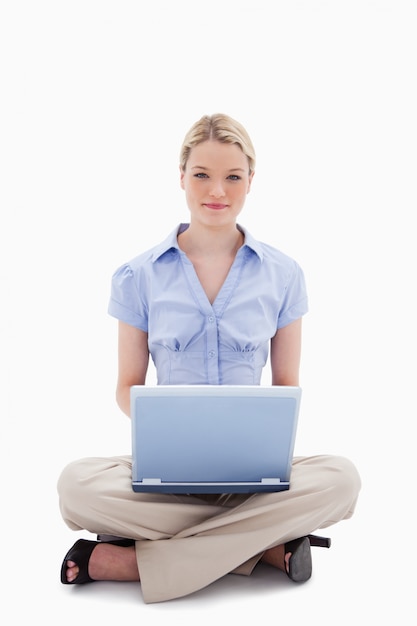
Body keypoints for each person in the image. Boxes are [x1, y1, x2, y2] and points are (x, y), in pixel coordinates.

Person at [58, 113, 361, 604]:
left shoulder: (284, 275)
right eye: (201, 174)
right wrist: (168, 425)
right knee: (75, 487)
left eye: (232, 176)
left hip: (253, 479)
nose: (216, 190)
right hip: (164, 478)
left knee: (342, 480)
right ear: (181, 177)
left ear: (250, 181)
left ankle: (133, 559)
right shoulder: (138, 276)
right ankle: (260, 548)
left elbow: (286, 386)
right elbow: (126, 385)